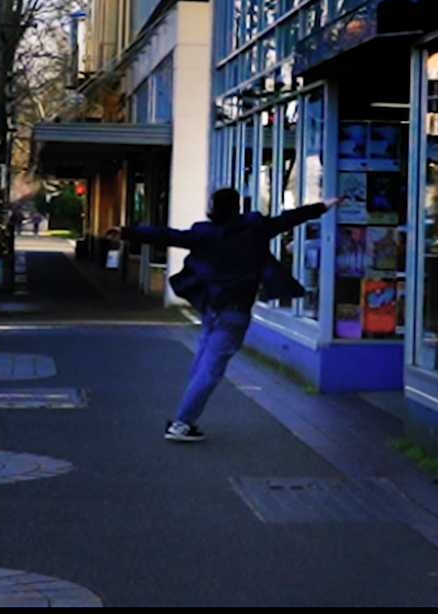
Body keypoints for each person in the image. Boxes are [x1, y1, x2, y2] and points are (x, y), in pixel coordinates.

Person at [120, 187, 328, 442]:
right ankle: (182, 423)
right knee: (210, 369)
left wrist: (128, 232)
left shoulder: (204, 233)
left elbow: (168, 236)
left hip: (211, 309)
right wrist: (324, 206)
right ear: (236, 206)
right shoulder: (255, 229)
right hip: (235, 314)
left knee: (202, 364)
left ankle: (186, 417)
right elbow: (290, 218)